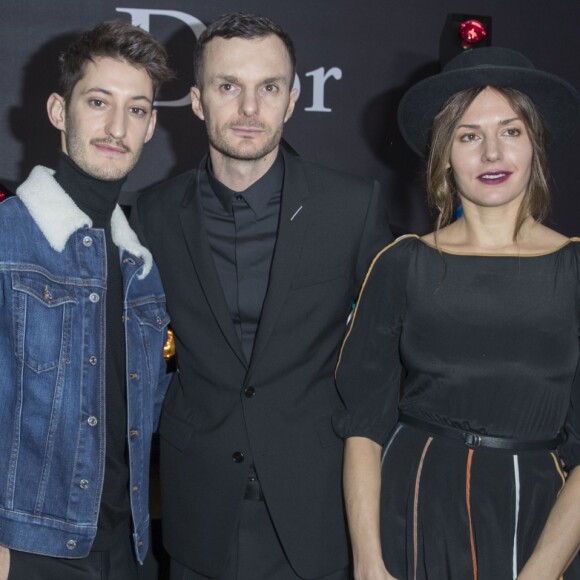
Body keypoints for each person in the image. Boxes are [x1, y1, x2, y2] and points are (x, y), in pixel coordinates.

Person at [131, 11, 393, 580]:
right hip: (199, 509)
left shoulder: (352, 208)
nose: (250, 110)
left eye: (268, 88)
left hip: (318, 512)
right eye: (229, 87)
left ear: (293, 98)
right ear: (198, 101)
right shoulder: (150, 215)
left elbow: (390, 361)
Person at [334, 46, 580, 579]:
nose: (492, 152)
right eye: (469, 135)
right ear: (444, 153)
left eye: (511, 131)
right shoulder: (401, 263)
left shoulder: (576, 268)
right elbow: (364, 428)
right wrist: (369, 563)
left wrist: (542, 571)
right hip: (414, 506)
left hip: (535, 517)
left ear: (535, 144)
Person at [0, 20, 173, 580]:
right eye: (98, 101)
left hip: (129, 554)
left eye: (137, 109)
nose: (116, 126)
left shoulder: (142, 270)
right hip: (28, 551)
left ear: (150, 127)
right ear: (58, 110)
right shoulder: (7, 240)